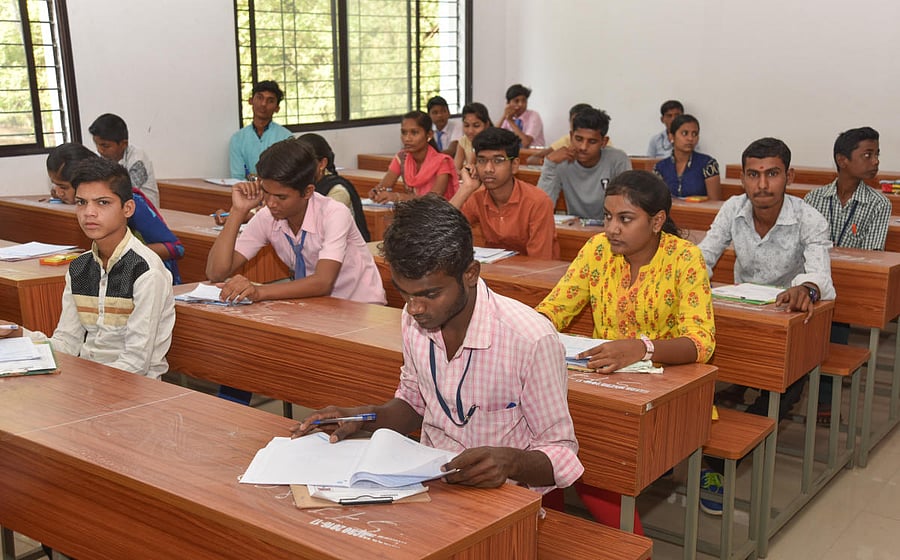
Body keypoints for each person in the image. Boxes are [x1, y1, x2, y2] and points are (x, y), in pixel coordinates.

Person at [291, 194, 584, 494]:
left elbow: (561, 453)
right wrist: (362, 417)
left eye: (430, 294)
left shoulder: (530, 339)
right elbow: (414, 404)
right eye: (405, 294)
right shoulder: (414, 319)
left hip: (503, 498)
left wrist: (511, 463)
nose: (414, 308)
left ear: (470, 274)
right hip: (429, 484)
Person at [536, 169, 715, 530]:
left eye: (625, 219)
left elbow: (701, 342)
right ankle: (543, 523)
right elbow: (554, 309)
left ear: (657, 221)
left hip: (668, 390)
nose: (611, 228)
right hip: (601, 379)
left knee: (593, 451)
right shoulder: (598, 250)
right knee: (542, 434)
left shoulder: (684, 258)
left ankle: (620, 539)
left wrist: (642, 348)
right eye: (607, 216)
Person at [697, 137, 835, 513]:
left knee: (786, 386)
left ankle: (718, 463)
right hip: (739, 314)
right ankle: (695, 439)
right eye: (753, 175)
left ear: (788, 175)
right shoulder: (732, 208)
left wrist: (805, 287)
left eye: (772, 174)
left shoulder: (809, 218)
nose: (762, 184)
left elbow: (820, 275)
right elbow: (704, 255)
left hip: (787, 321)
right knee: (694, 366)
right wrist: (685, 279)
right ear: (742, 178)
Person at [30, 158, 175, 378]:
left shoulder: (145, 271)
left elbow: (136, 363)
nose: (89, 212)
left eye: (103, 203)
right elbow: (67, 343)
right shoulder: (79, 267)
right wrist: (23, 338)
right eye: (81, 202)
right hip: (89, 382)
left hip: (138, 390)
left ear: (128, 208)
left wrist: (84, 384)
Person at [803, 126, 890, 422]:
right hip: (812, 276)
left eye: (877, 154)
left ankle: (824, 398)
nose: (875, 160)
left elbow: (870, 255)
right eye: (867, 154)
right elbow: (801, 244)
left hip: (850, 284)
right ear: (842, 160)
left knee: (836, 320)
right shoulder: (815, 198)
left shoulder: (879, 203)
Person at [46, 143, 185, 284]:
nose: (58, 192)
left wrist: (124, 257)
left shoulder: (130, 203)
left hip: (150, 280)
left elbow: (176, 248)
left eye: (63, 187)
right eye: (54, 185)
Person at [451, 128, 559, 259]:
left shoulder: (538, 202)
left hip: (530, 276)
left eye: (498, 160)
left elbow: (541, 262)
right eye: (482, 160)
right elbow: (437, 228)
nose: (488, 169)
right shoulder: (477, 197)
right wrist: (465, 189)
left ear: (514, 165)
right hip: (494, 273)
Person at [537, 108, 632, 221]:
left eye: (592, 141)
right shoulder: (561, 162)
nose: (583, 147)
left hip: (610, 229)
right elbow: (541, 208)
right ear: (571, 136)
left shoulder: (618, 160)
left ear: (604, 142)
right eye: (578, 139)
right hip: (576, 229)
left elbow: (627, 205)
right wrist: (549, 165)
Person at [369, 111, 459, 203]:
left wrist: (398, 197)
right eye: (404, 133)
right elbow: (384, 186)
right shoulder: (401, 158)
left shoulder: (442, 162)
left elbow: (434, 198)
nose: (407, 138)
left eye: (414, 133)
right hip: (414, 213)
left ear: (429, 135)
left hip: (439, 215)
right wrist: (377, 192)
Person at [297, 132, 371, 242]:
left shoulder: (337, 191)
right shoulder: (300, 185)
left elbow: (322, 228)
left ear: (322, 164)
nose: (298, 168)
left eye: (305, 163)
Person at [89, 113, 160, 208]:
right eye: (96, 144)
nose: (99, 150)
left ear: (123, 144)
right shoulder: (98, 157)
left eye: (105, 146)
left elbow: (125, 192)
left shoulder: (138, 159)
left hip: (145, 211)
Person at [229, 80, 293, 180]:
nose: (263, 104)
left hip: (276, 193)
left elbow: (287, 175)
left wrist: (254, 178)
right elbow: (237, 177)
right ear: (250, 101)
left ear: (277, 108)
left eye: (270, 100)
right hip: (247, 193)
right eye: (259, 98)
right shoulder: (237, 139)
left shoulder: (287, 138)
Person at [653, 114, 721, 200]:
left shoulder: (708, 164)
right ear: (671, 137)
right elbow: (656, 201)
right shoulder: (660, 167)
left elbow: (715, 202)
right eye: (685, 133)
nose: (690, 138)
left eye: (694, 134)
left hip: (699, 212)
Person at [525, 103, 592, 165]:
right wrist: (549, 162)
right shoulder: (567, 140)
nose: (578, 126)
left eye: (583, 122)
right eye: (575, 122)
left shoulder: (600, 141)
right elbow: (531, 159)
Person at [499, 83, 545, 148]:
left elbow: (525, 143)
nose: (521, 104)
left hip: (533, 155)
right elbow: (491, 138)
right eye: (516, 101)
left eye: (524, 100)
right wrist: (504, 116)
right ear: (508, 103)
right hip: (514, 155)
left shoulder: (533, 116)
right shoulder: (508, 117)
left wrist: (511, 121)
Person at [453, 102, 492, 171]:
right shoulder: (464, 140)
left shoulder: (494, 142)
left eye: (476, 125)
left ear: (486, 125)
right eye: (466, 125)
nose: (470, 131)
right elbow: (456, 169)